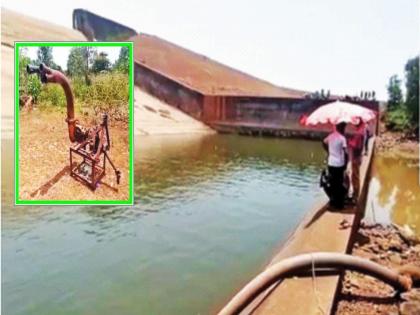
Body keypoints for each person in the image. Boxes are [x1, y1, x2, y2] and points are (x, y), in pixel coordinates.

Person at [323, 122, 348, 209]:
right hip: (339, 164)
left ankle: (333, 202)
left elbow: (324, 142)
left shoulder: (331, 136)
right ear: (342, 128)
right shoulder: (342, 138)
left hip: (331, 163)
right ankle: (339, 204)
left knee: (333, 183)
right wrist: (346, 163)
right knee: (339, 183)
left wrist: (329, 151)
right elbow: (345, 152)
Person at [348, 121, 365, 201]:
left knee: (355, 176)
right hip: (358, 157)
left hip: (356, 157)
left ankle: (356, 195)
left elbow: (356, 145)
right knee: (355, 175)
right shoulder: (362, 131)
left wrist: (350, 142)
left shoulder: (359, 133)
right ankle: (356, 193)